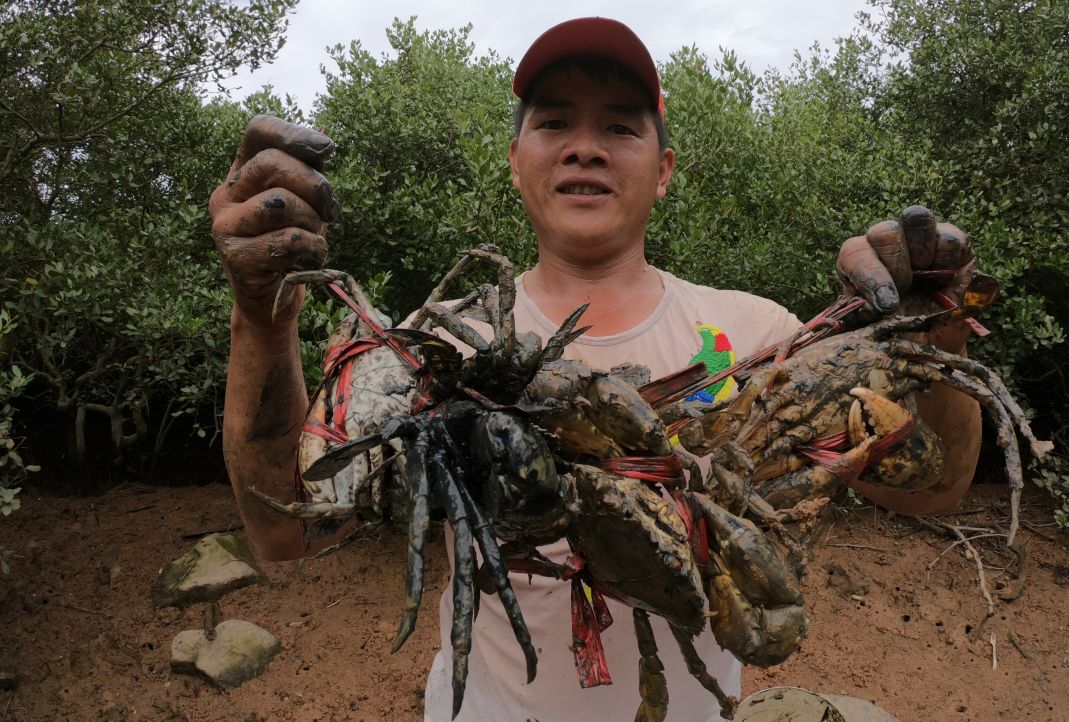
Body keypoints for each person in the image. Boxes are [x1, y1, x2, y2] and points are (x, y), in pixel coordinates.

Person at [209, 17, 981, 722]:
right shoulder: (436, 349)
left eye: (619, 125)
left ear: (664, 169)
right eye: (553, 123)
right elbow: (285, 528)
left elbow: (933, 487)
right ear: (515, 163)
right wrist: (260, 314)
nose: (585, 146)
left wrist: (936, 334)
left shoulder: (760, 338)